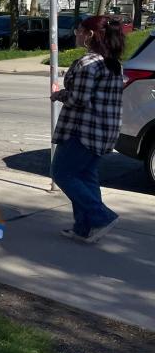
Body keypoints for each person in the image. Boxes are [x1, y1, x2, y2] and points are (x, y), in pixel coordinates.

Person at [50, 16, 125, 244]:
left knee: (62, 173)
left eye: (79, 30)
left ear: (90, 34)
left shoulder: (88, 63)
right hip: (105, 131)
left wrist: (59, 95)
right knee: (86, 176)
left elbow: (79, 99)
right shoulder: (113, 62)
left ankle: (101, 216)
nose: (77, 34)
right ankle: (84, 227)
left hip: (82, 130)